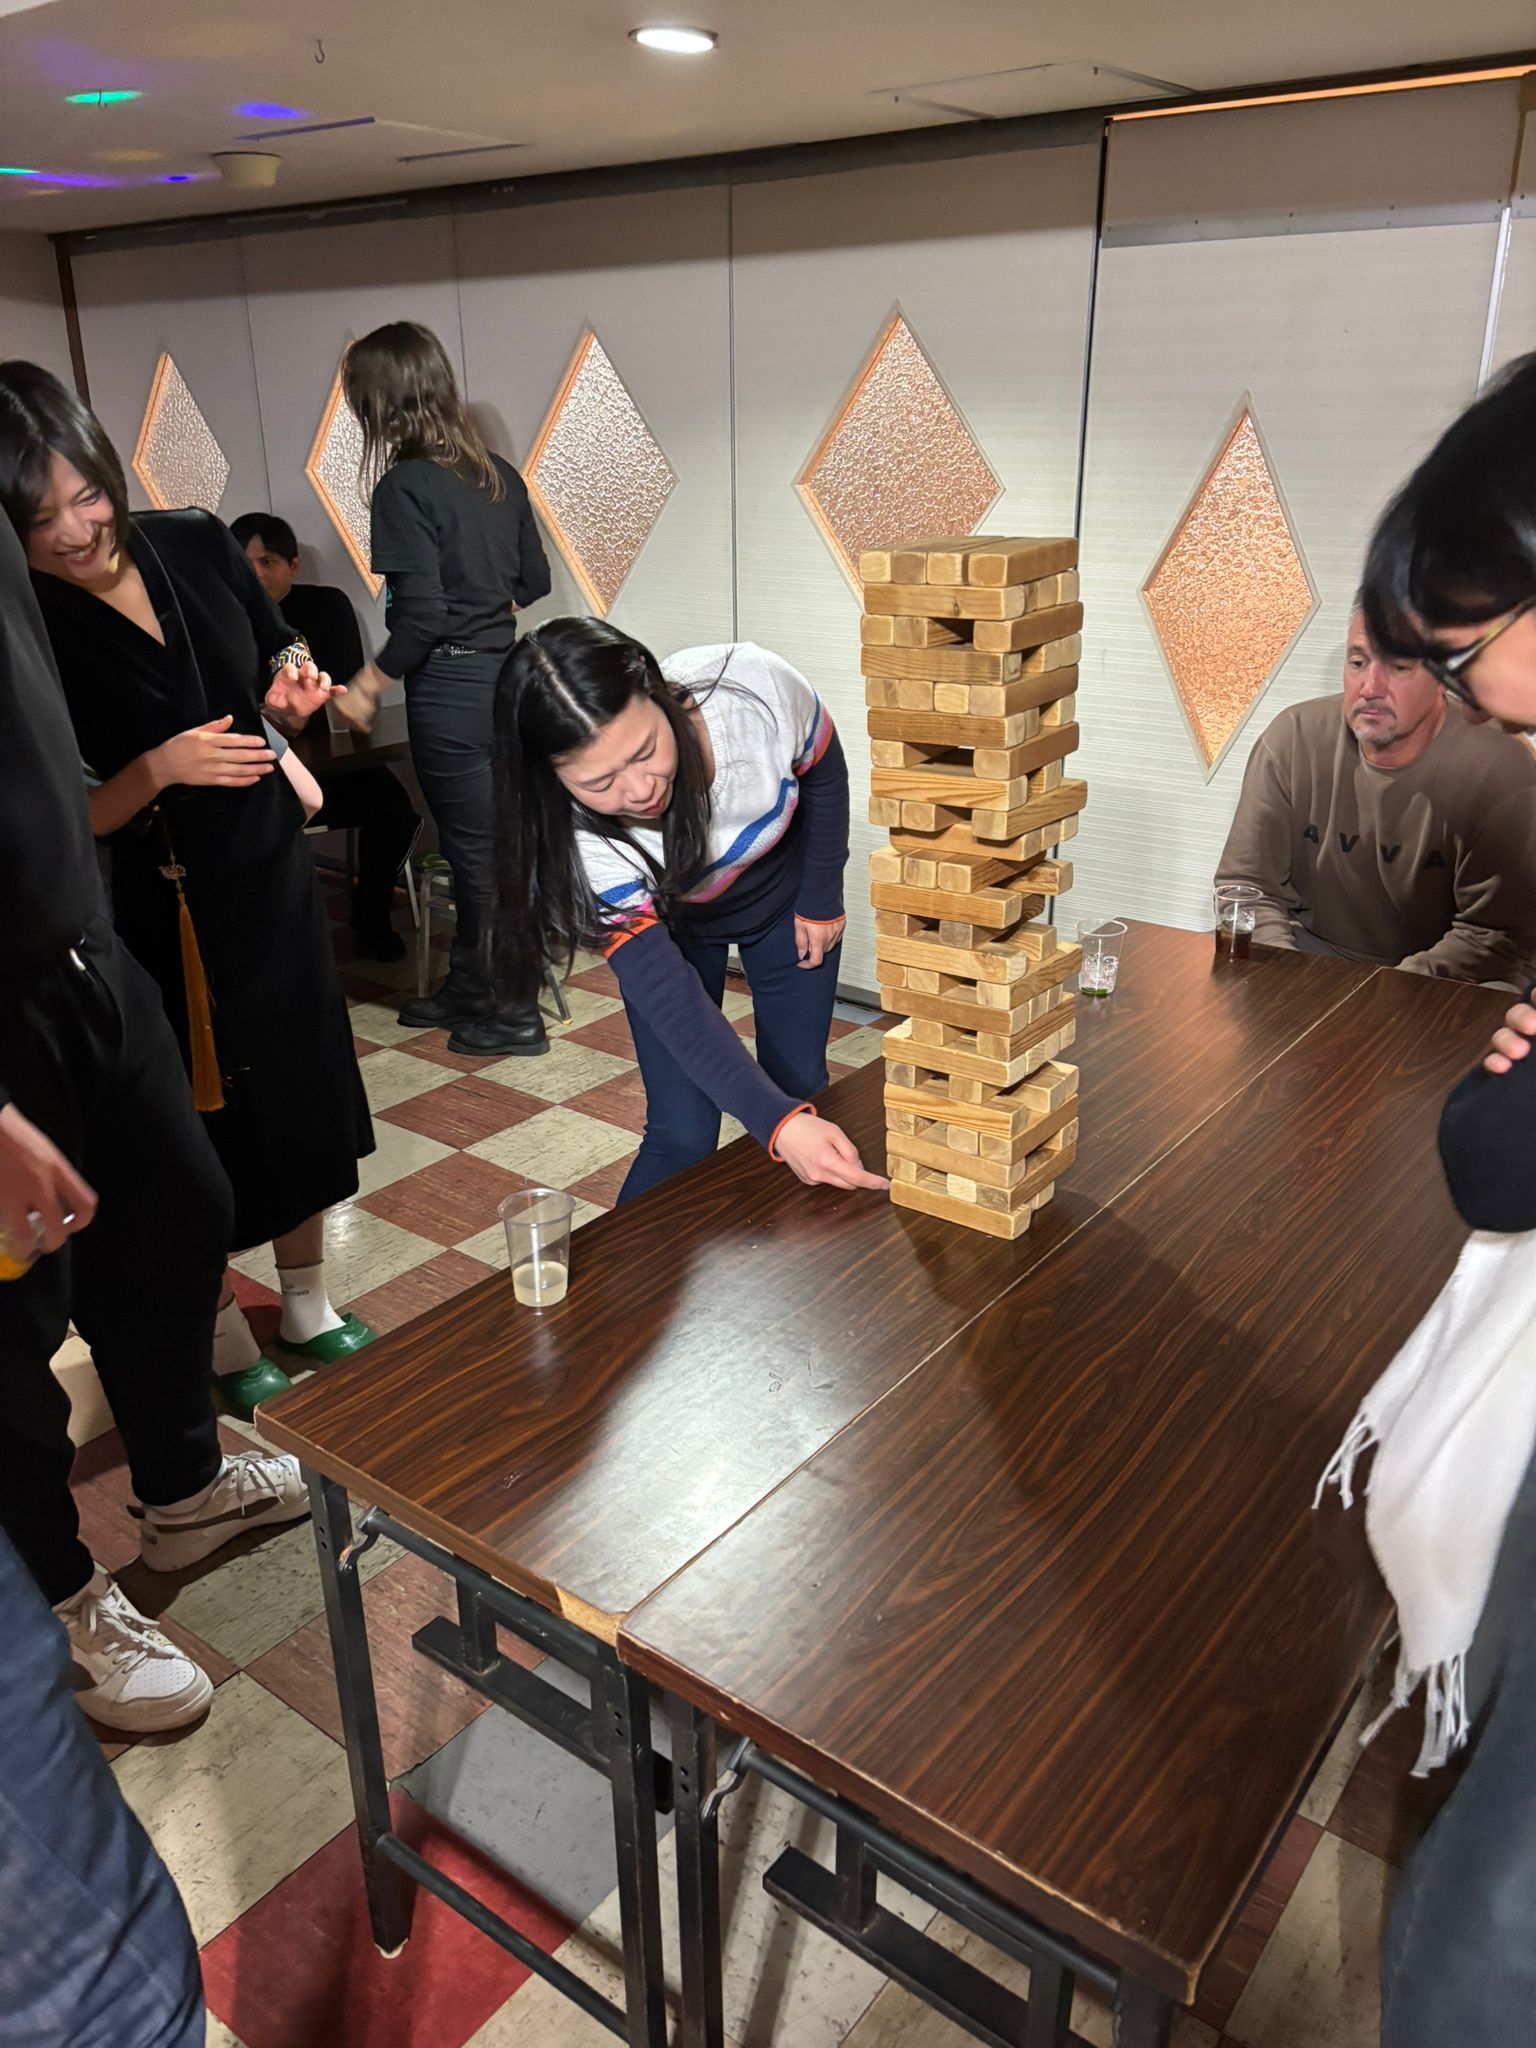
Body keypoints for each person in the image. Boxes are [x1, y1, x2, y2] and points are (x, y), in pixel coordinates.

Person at [0, 361, 378, 1423]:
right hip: (158, 900)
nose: (74, 533)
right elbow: (61, 818)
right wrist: (157, 768)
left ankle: (305, 1300)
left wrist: (289, 697)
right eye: (37, 519)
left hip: (269, 874)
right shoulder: (24, 617)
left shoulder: (194, 541)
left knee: (304, 1092)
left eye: (87, 497)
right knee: (196, 1137)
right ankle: (219, 1331)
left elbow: (271, 658)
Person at [0, 510, 308, 1736]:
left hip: (83, 947)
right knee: (10, 1332)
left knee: (181, 1210)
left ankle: (182, 1485)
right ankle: (54, 1597)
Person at [1334, 348, 1536, 2048]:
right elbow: (1241, 895)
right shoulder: (1290, 752)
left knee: (1474, 1952)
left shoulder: (1483, 781)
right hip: (1357, 1046)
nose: (1412, 692)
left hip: (1399, 1050)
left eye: (1446, 657)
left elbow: (1495, 1133)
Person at [494, 619, 887, 1201]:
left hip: (783, 900)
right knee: (682, 1131)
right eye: (600, 782)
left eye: (646, 751)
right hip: (672, 929)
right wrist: (777, 1124)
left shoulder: (749, 689)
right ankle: (621, 1270)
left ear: (657, 693)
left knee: (800, 1085)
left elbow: (824, 767)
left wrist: (821, 897)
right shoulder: (576, 841)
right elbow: (667, 995)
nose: (640, 790)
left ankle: (796, 1250)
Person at [336, 321, 553, 1053]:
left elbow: (422, 616)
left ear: (379, 402)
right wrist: (485, 605)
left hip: (452, 688)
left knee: (476, 853)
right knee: (487, 846)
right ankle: (469, 985)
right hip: (506, 680)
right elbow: (534, 580)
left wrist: (369, 682)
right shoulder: (498, 474)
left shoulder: (403, 487)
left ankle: (515, 1012)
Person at [1215, 603, 1536, 984]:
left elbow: (1493, 937)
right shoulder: (1292, 738)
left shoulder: (1499, 764)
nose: (1370, 688)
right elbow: (1248, 888)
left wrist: (1378, 994)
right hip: (1313, 959)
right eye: (1358, 662)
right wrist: (1289, 981)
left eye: (1398, 667)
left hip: (1450, 980)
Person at [230, 510, 420, 962]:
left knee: (396, 813)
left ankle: (371, 920)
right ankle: (276, 943)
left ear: (293, 565)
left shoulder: (325, 607)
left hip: (329, 763)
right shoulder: (221, 619)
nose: (257, 575)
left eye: (268, 562)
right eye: (245, 564)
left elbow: (344, 688)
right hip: (259, 768)